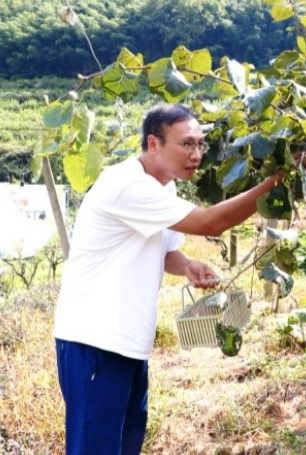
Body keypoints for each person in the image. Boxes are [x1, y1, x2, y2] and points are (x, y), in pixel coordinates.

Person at [53, 103, 287, 455]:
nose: (196, 154)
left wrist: (188, 265)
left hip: (128, 343)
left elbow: (161, 251)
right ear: (153, 144)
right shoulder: (126, 185)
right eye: (186, 144)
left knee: (125, 446)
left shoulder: (165, 187)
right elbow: (210, 222)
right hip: (94, 341)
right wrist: (275, 182)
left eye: (200, 144)